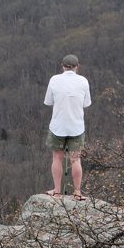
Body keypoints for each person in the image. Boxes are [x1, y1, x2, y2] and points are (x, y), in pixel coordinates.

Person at [44, 53, 91, 200]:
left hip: (58, 126)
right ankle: (77, 192)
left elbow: (48, 101)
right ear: (77, 67)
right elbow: (86, 103)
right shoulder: (83, 81)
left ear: (63, 66)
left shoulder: (54, 80)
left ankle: (57, 191)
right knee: (75, 159)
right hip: (76, 126)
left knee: (57, 157)